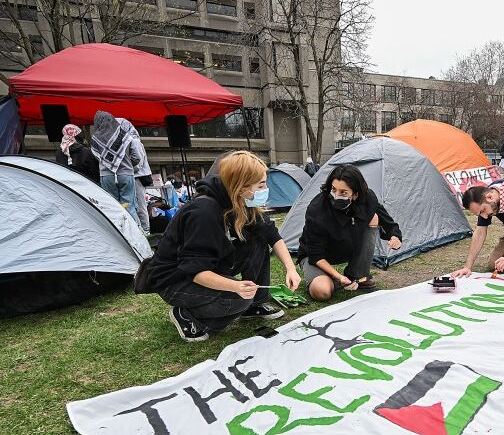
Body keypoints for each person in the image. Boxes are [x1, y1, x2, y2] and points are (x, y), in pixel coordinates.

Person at [144, 151, 301, 342]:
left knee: (258, 241)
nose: (265, 189)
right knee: (239, 300)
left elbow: (271, 234)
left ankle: (255, 305)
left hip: (205, 266)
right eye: (261, 184)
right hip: (175, 278)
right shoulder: (203, 213)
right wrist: (235, 286)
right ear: (241, 187)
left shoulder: (242, 201)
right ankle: (187, 315)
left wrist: (291, 269)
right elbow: (195, 270)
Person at [297, 165, 402, 301]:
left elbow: (389, 224)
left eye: (343, 192)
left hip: (347, 248)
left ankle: (358, 274)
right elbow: (315, 255)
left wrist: (395, 237)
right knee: (322, 291)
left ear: (356, 194)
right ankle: (335, 280)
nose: (336, 196)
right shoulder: (317, 209)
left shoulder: (368, 198)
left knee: (374, 217)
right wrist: (338, 277)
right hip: (318, 256)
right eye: (333, 190)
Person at [91, 111, 142, 225]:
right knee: (129, 205)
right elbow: (137, 157)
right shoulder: (126, 136)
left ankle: (118, 234)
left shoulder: (95, 138)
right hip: (126, 174)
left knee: (113, 207)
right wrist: (128, 164)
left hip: (107, 176)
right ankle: (135, 234)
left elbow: (96, 157)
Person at [118, 118, 152, 235]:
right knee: (132, 204)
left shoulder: (134, 141)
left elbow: (139, 161)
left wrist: (125, 167)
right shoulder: (127, 141)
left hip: (137, 177)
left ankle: (145, 230)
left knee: (140, 204)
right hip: (131, 175)